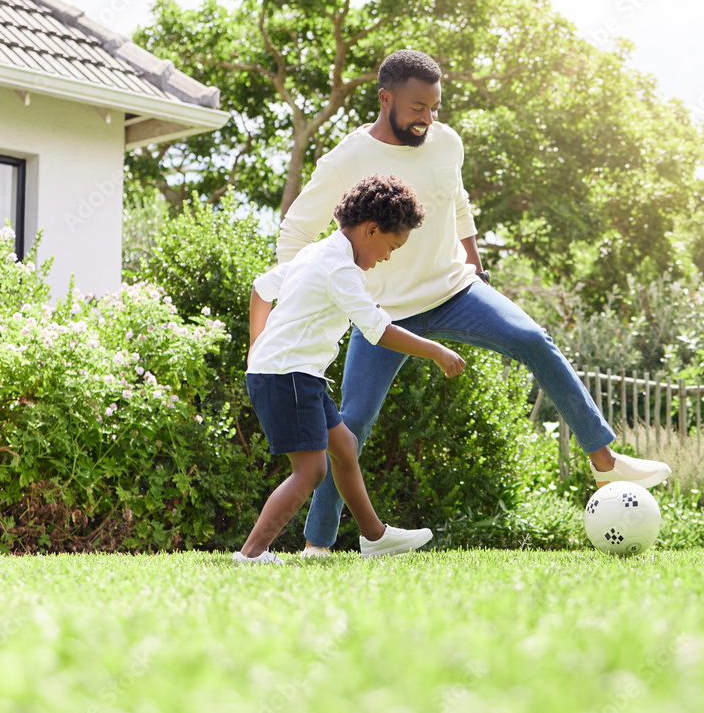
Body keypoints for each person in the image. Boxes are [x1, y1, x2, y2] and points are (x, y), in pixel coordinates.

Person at [277, 49, 673, 558]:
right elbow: (296, 229)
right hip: (386, 310)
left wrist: (475, 265)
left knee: (533, 338)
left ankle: (603, 458)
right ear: (385, 98)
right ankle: (318, 546)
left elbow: (457, 202)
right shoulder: (347, 159)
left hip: (454, 289)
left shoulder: (447, 142)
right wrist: (289, 295)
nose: (429, 118)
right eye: (419, 107)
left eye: (436, 107)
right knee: (351, 425)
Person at [235, 174, 466, 564]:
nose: (388, 256)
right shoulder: (338, 269)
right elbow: (378, 330)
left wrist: (256, 345)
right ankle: (252, 554)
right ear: (371, 229)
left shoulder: (317, 253)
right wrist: (436, 352)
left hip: (293, 372)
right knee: (310, 472)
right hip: (288, 375)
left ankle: (375, 536)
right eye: (391, 246)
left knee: (344, 447)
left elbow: (261, 288)